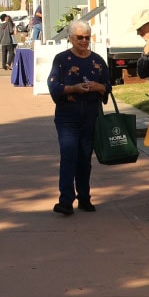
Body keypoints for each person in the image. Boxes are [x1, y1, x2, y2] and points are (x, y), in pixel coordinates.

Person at [46, 20, 111, 215]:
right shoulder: (61, 59)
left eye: (86, 38)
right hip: (68, 116)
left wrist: (98, 87)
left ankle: (84, 198)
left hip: (91, 115)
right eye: (79, 38)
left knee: (84, 158)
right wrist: (73, 88)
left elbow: (107, 86)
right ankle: (66, 200)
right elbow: (54, 86)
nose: (83, 41)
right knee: (69, 156)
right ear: (71, 38)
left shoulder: (98, 61)